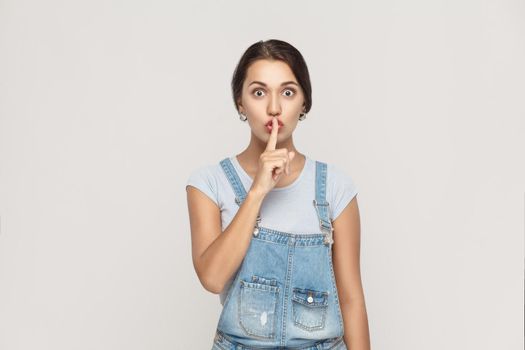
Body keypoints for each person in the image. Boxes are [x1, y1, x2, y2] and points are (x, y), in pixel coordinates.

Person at [186, 39, 371, 350]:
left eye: (288, 92)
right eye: (259, 92)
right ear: (240, 104)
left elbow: (351, 299)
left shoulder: (335, 188)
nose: (274, 107)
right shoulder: (210, 182)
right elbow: (212, 278)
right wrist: (258, 189)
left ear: (304, 103)